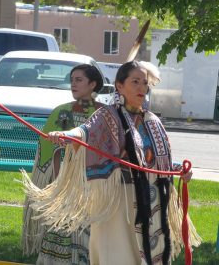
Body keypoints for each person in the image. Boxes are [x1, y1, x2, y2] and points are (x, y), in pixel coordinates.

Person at [23, 60, 201, 265]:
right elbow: (85, 131)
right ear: (119, 86)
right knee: (116, 256)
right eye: (135, 81)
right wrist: (65, 135)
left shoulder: (152, 121)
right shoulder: (107, 115)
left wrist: (179, 171)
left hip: (149, 203)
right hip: (117, 204)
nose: (142, 88)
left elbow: (159, 160)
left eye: (145, 83)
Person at [22, 64, 105, 264]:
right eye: (72, 80)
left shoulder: (104, 114)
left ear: (93, 84)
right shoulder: (61, 112)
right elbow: (46, 150)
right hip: (61, 183)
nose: (73, 84)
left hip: (91, 184)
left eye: (79, 80)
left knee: (87, 232)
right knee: (59, 227)